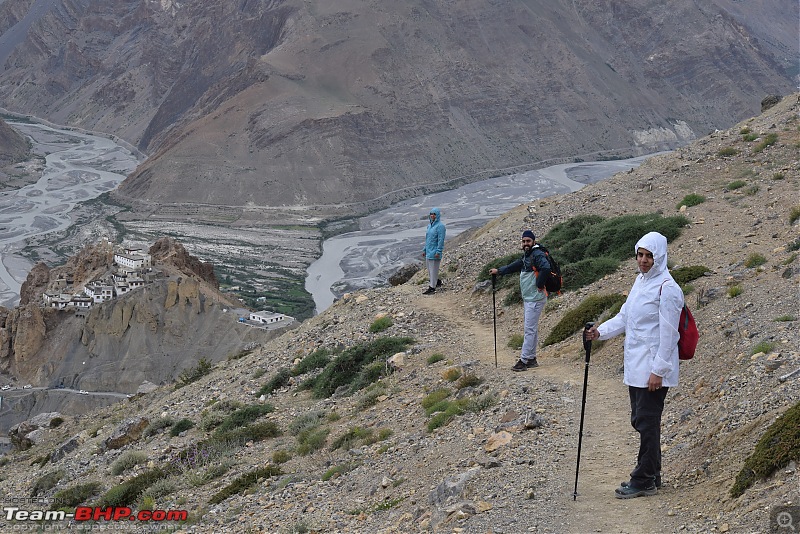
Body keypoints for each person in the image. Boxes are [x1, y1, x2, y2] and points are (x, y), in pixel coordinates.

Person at [585, 231, 683, 499]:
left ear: (659, 257)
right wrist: (600, 332)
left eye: (649, 256)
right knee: (640, 420)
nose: (643, 260)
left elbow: (669, 334)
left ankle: (643, 479)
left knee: (647, 422)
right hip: (637, 366)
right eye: (640, 254)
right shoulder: (641, 282)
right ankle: (654, 472)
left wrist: (658, 371)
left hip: (652, 369)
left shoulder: (668, 288)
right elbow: (624, 317)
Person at [489, 230, 550, 371]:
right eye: (523, 241)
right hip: (530, 298)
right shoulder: (528, 256)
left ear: (533, 241)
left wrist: (540, 285)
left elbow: (546, 268)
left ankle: (523, 361)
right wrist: (499, 271)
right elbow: (515, 266)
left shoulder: (537, 254)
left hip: (535, 298)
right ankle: (532, 358)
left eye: (528, 241)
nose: (525, 244)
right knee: (532, 329)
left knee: (529, 329)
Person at [422, 207, 446, 295]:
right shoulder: (429, 226)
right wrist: (424, 249)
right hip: (429, 251)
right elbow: (428, 239)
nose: (432, 216)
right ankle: (437, 281)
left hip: (435, 252)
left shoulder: (440, 226)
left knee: (433, 270)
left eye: (434, 214)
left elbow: (441, 240)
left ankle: (432, 287)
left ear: (437, 215)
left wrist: (438, 251)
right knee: (429, 269)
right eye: (431, 214)